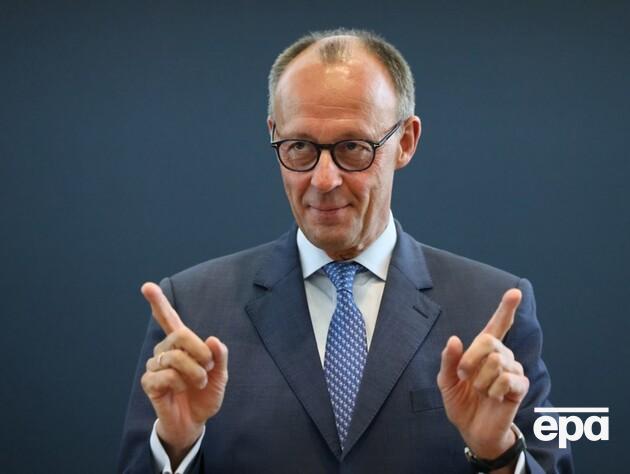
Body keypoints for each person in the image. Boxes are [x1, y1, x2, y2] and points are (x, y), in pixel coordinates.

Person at [118, 29, 573, 473]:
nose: (323, 180)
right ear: (274, 135)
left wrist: (497, 454)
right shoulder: (192, 310)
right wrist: (176, 448)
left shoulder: (491, 311)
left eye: (353, 148)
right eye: (299, 147)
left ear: (406, 142)